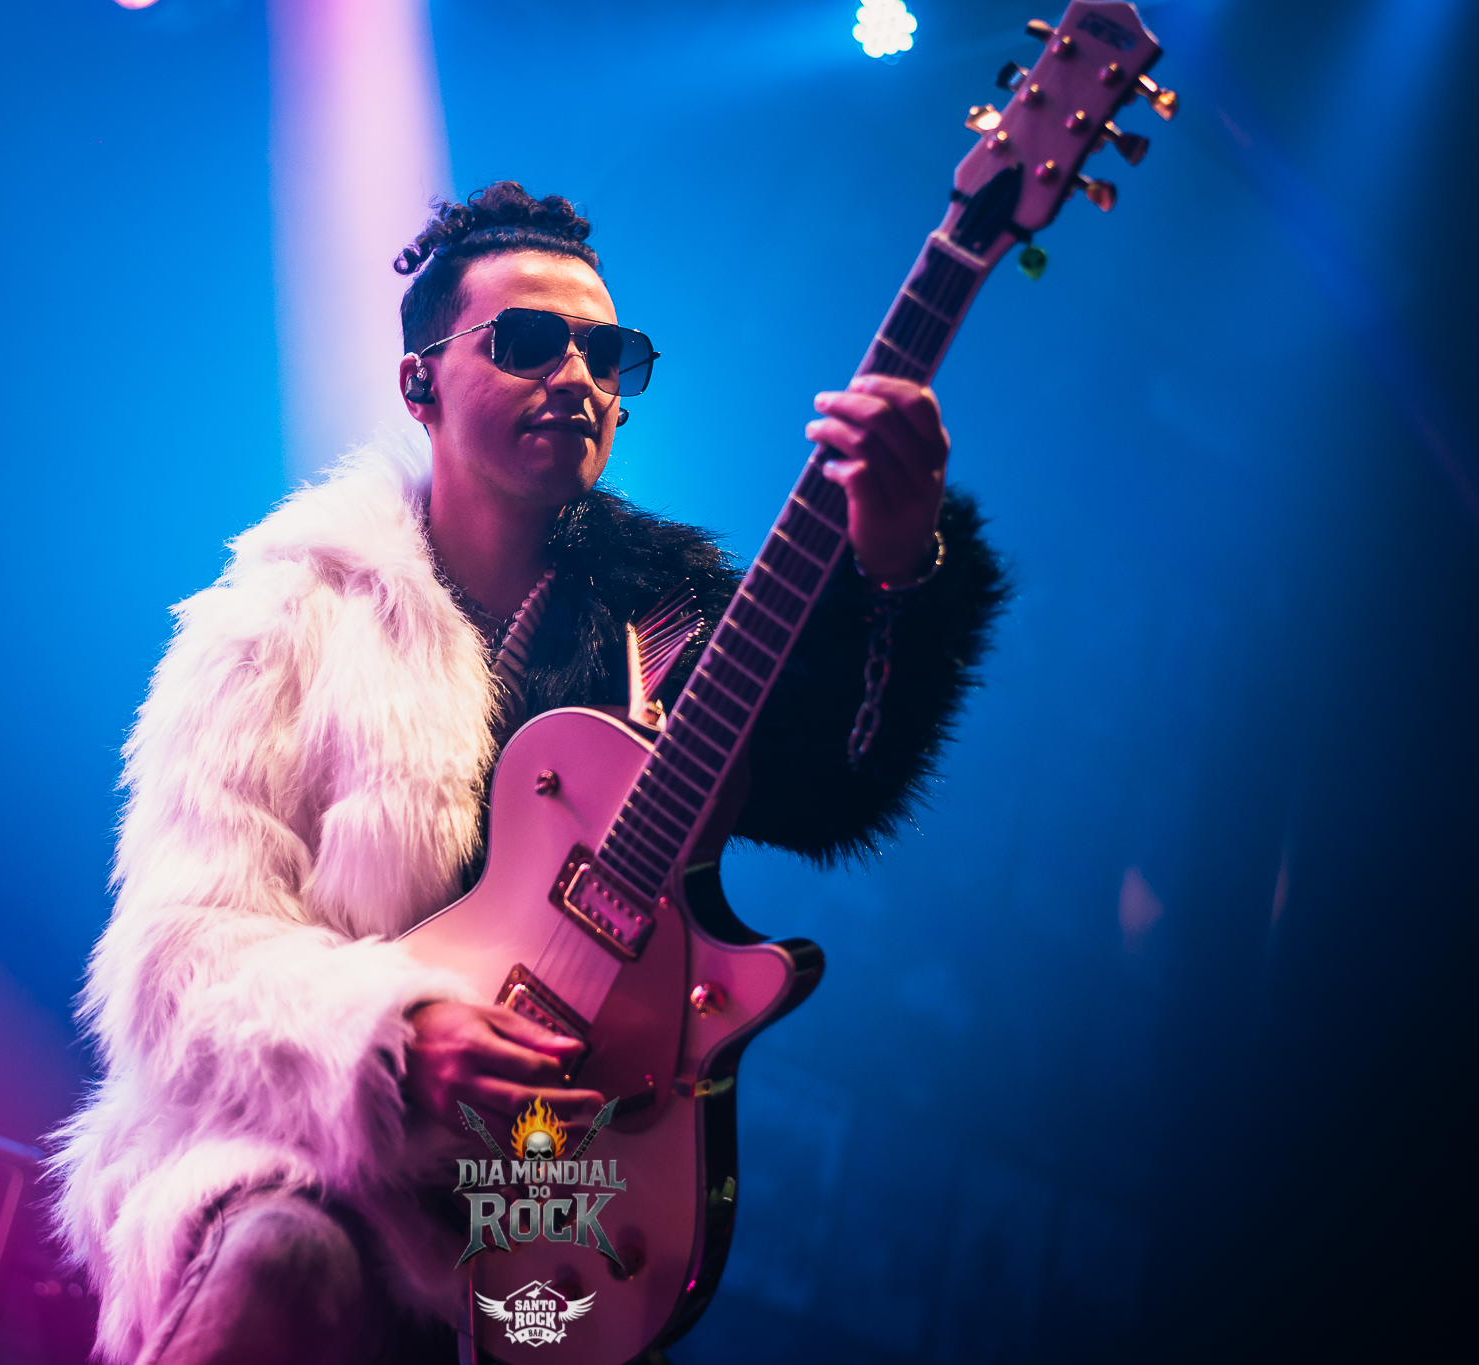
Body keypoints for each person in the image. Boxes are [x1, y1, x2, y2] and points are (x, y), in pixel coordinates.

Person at [49, 183, 1007, 1365]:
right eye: (526, 341)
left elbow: (834, 786)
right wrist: (393, 1038)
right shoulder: (279, 623)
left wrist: (899, 563)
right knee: (289, 1259)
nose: (577, 376)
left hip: (560, 1182)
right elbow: (178, 958)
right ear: (420, 385)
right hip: (308, 1155)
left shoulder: (666, 623)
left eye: (607, 354)